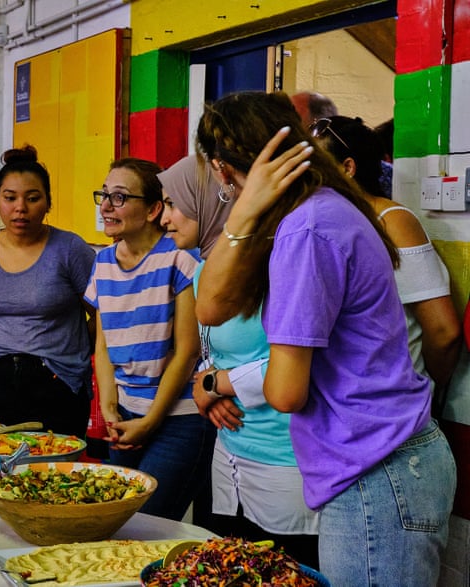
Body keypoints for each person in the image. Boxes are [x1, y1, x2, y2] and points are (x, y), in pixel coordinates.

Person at [194, 90, 456, 586]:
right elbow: (212, 305)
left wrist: (224, 381)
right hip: (385, 463)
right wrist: (246, 212)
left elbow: (287, 392)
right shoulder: (322, 208)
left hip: (380, 471)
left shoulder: (305, 231)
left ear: (223, 171)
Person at [158, 154, 319, 567]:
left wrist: (213, 385)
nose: (165, 219)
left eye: (174, 205)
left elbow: (299, 364)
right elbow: (214, 354)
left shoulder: (276, 265)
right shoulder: (203, 273)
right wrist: (205, 382)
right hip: (231, 456)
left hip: (285, 461)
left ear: (212, 201)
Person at [84, 157, 215, 522]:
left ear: (154, 208)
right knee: (118, 522)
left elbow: (187, 351)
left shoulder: (180, 259)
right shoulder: (103, 262)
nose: (106, 206)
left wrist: (152, 419)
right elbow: (103, 345)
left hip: (178, 418)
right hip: (124, 416)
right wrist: (109, 408)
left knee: (147, 522)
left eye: (120, 197)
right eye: (104, 195)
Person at [312, 115, 461, 406]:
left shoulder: (393, 223)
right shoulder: (331, 224)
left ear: (348, 168)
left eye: (315, 168)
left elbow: (444, 332)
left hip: (396, 413)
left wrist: (423, 390)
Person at [0, 145, 95, 438]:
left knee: (61, 472)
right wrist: (4, 342)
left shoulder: (70, 249)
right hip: (0, 381)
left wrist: (73, 346)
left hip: (61, 381)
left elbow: (103, 314)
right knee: (4, 472)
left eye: (32, 198)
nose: (21, 208)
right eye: (10, 198)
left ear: (48, 203)